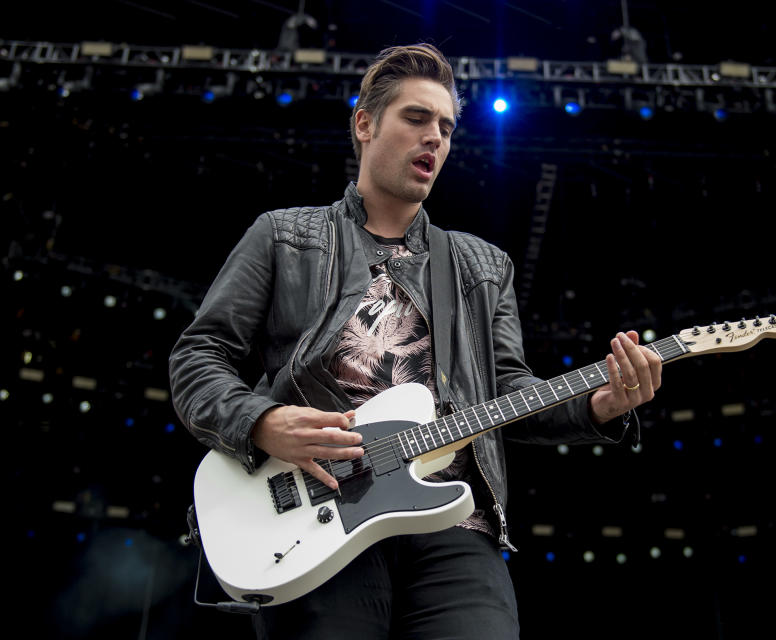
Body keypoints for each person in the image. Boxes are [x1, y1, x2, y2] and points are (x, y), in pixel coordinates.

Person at [169, 43, 662, 640]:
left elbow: (509, 393)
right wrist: (260, 422)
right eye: (417, 118)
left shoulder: (482, 265)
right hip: (320, 517)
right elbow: (200, 356)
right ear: (365, 123)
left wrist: (598, 405)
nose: (436, 138)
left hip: (455, 526)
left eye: (447, 127)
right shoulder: (283, 236)